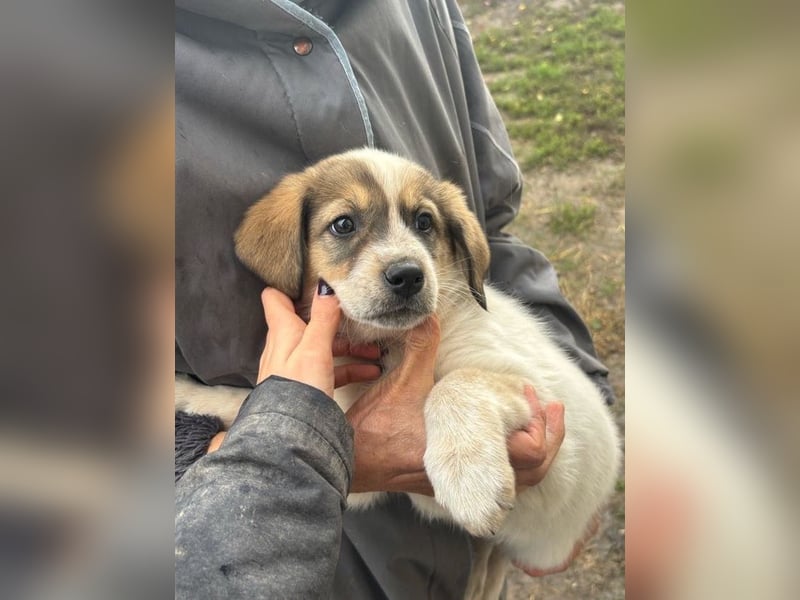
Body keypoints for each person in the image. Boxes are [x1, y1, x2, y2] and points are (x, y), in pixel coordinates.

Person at [175, 0, 613, 597]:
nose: (405, 263)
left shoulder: (422, 9)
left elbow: (500, 242)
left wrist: (545, 394)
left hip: (507, 537)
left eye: (424, 223)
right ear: (289, 250)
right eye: (345, 226)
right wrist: (202, 425)